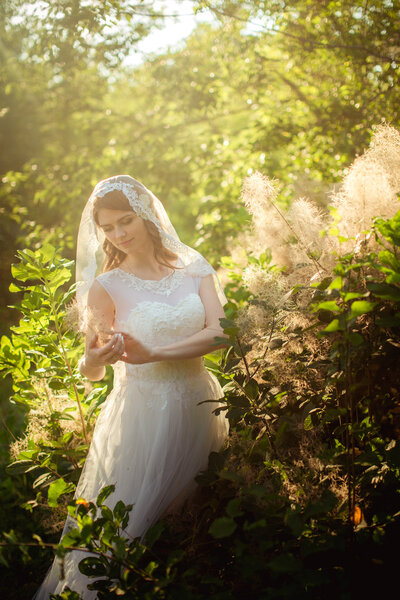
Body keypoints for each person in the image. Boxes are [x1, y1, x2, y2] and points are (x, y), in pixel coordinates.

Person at [34, 175, 229, 599]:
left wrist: (155, 352)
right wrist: (93, 359)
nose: (119, 234)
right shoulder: (106, 287)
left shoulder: (193, 265)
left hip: (200, 403)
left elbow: (221, 332)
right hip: (143, 415)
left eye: (126, 221)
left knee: (193, 520)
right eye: (108, 228)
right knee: (128, 526)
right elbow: (92, 370)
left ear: (146, 215)